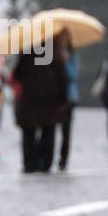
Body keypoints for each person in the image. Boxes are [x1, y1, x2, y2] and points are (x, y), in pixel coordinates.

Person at [11, 30, 71, 173]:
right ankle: (46, 163)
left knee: (28, 134)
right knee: (48, 132)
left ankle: (29, 164)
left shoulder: (26, 53)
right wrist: (63, 99)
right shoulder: (55, 53)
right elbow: (62, 79)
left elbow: (17, 75)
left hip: (29, 100)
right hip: (49, 100)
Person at [56, 46, 79, 171]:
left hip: (69, 98)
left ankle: (63, 160)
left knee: (66, 132)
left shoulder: (72, 58)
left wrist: (65, 61)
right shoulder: (51, 55)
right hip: (55, 97)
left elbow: (72, 75)